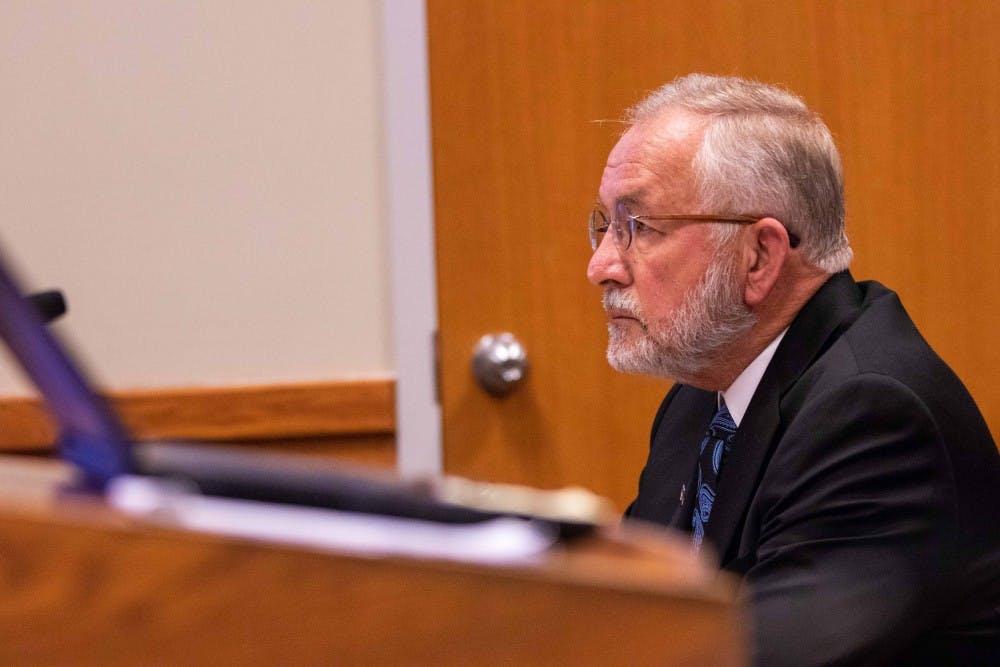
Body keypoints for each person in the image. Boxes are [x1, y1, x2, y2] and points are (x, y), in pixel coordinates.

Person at [586, 73, 1000, 666]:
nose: (602, 266)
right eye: (606, 226)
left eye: (641, 228)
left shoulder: (874, 418)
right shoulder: (703, 390)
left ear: (760, 256)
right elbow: (637, 613)